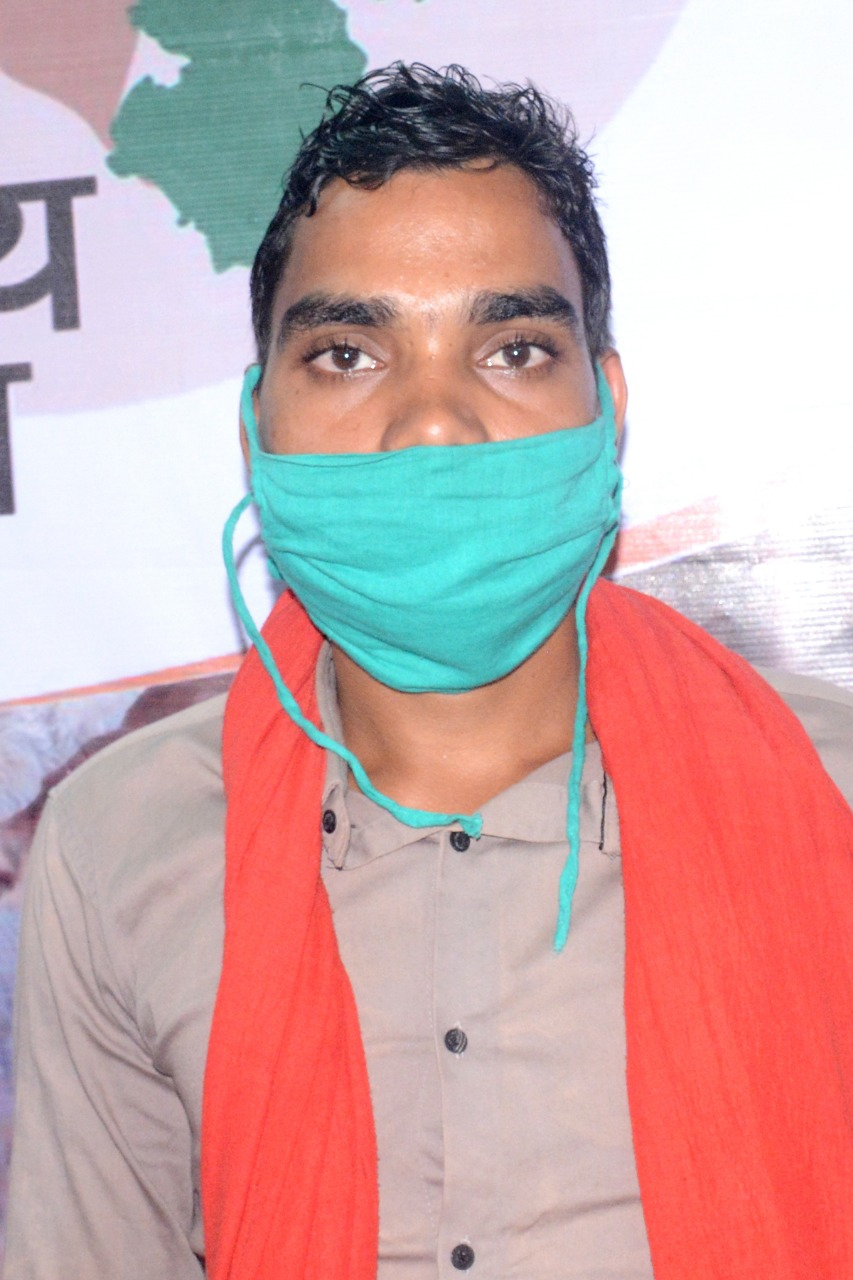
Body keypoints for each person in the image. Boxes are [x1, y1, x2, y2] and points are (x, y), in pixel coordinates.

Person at [5, 63, 853, 1280]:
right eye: (348, 354)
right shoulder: (119, 845)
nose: (433, 421)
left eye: (512, 348)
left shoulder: (826, 795)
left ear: (606, 406)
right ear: (255, 423)